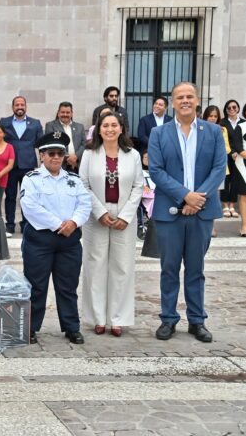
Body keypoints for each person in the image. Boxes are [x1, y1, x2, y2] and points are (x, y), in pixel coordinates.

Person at [148, 82, 226, 343]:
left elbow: (218, 168)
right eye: (179, 97)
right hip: (170, 211)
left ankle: (197, 320)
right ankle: (168, 319)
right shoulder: (159, 134)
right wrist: (185, 196)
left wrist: (197, 199)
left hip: (201, 212)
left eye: (189, 96)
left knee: (196, 268)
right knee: (169, 268)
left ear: (197, 100)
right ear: (172, 102)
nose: (184, 100)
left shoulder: (214, 131)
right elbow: (157, 171)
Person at [20, 132, 92, 345]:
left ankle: (71, 327)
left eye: (60, 153)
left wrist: (74, 223)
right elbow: (30, 207)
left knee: (68, 287)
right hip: (40, 241)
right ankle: (31, 328)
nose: (56, 157)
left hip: (69, 242)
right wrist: (58, 224)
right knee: (36, 286)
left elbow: (85, 204)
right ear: (41, 155)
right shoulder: (31, 179)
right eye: (51, 153)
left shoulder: (74, 180)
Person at [79, 113, 143, 337]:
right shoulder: (89, 153)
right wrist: (100, 212)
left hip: (125, 213)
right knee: (95, 265)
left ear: (121, 128)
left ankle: (117, 318)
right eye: (105, 125)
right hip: (96, 214)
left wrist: (126, 215)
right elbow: (83, 184)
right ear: (98, 129)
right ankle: (97, 317)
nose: (109, 129)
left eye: (114, 125)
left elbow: (138, 186)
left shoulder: (132, 154)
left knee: (122, 266)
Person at [0, 96, 44, 234]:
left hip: (28, 165)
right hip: (10, 165)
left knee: (27, 197)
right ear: (13, 107)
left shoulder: (35, 123)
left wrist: (43, 162)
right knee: (10, 196)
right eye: (17, 104)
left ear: (26, 106)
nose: (20, 107)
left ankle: (26, 224)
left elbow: (41, 144)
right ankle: (10, 224)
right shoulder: (4, 122)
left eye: (22, 104)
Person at [202, 105, 231, 237]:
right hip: (203, 168)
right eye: (210, 116)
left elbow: (227, 148)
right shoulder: (199, 128)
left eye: (215, 116)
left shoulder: (222, 129)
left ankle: (212, 226)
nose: (213, 118)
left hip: (218, 169)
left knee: (213, 197)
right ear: (205, 116)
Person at [231, 100, 246, 237]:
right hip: (244, 164)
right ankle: (244, 226)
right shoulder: (241, 126)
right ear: (245, 112)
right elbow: (238, 148)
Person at [44, 102, 85, 172]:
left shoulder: (80, 127)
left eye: (68, 112)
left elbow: (84, 144)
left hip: (77, 165)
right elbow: (52, 144)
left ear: (72, 113)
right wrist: (68, 157)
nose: (65, 114)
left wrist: (76, 157)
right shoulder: (50, 126)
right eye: (62, 112)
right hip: (60, 165)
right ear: (58, 113)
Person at [220, 99, 242, 218]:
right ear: (226, 110)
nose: (232, 109)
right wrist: (232, 152)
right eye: (229, 108)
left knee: (235, 181)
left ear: (238, 108)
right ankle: (225, 206)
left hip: (240, 156)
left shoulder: (244, 122)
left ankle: (232, 206)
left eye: (234, 107)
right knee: (226, 180)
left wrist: (239, 153)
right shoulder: (222, 123)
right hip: (226, 156)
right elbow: (222, 141)